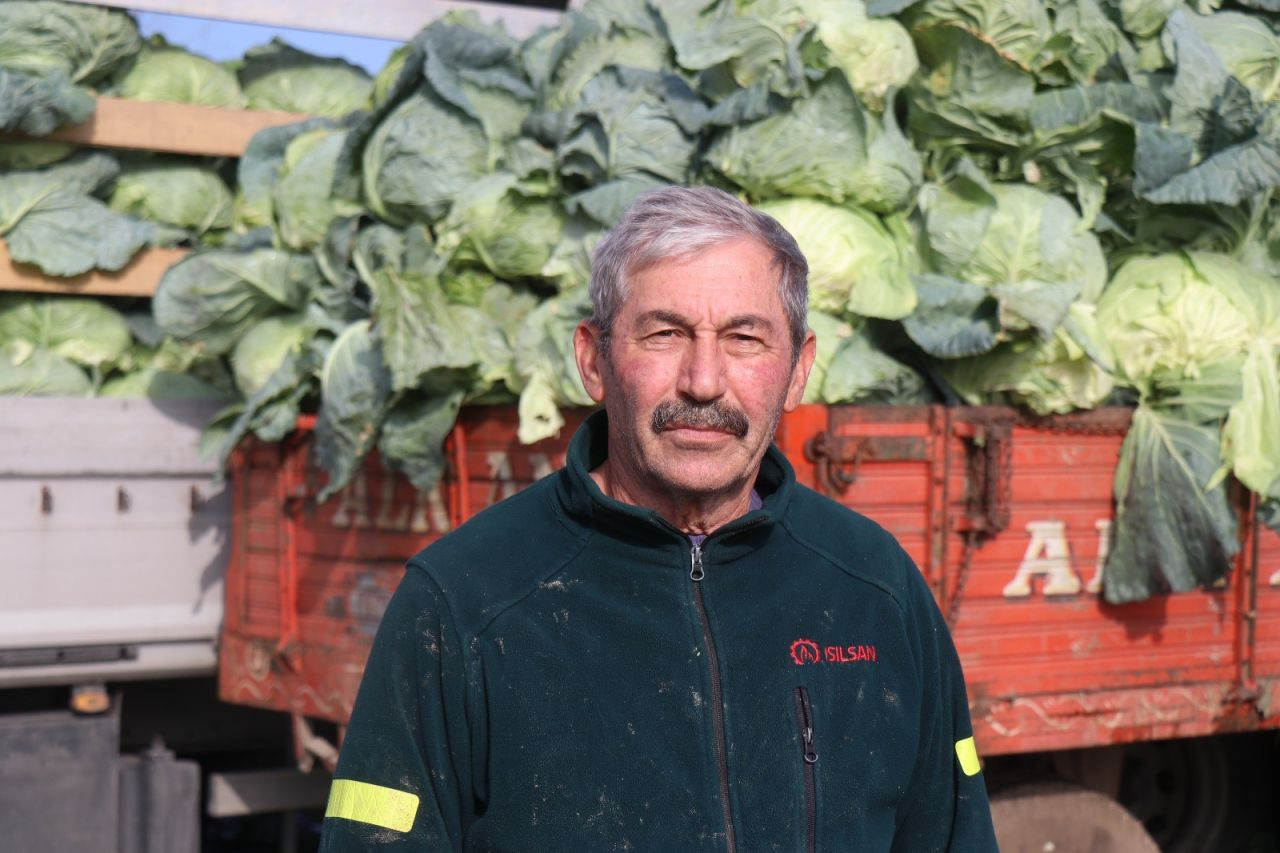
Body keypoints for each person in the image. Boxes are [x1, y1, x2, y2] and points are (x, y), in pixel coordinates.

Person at [319, 185, 998, 852]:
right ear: (595, 359)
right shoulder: (463, 600)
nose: (703, 380)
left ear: (797, 370)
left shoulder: (876, 589)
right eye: (664, 333)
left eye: (745, 338)